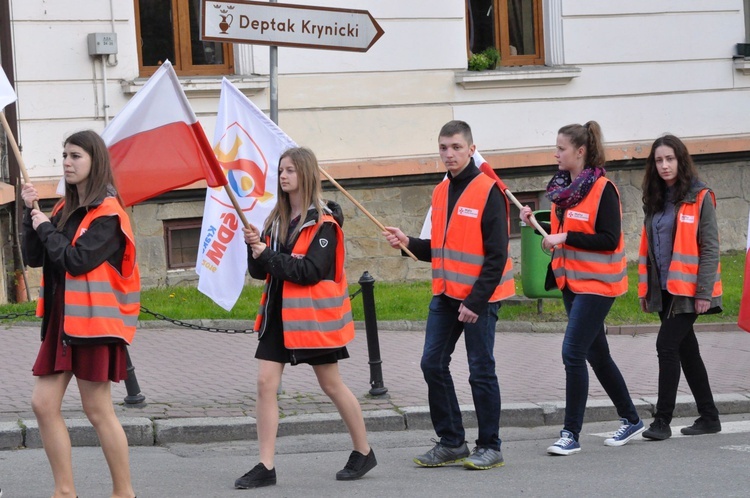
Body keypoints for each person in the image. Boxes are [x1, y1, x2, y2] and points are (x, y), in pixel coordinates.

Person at [235, 147, 376, 489]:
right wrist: (252, 244)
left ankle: (364, 451)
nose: (283, 176)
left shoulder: (325, 224)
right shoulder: (276, 219)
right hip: (278, 317)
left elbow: (310, 271)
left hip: (311, 320)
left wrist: (266, 253)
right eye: (281, 170)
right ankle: (265, 465)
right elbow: (261, 270)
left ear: (306, 175)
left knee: (331, 385)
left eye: (291, 171)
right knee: (265, 384)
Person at [383, 120, 514, 470]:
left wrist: (475, 302)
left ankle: (490, 446)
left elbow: (497, 255)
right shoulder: (441, 191)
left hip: (478, 299)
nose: (449, 154)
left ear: (471, 149)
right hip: (445, 294)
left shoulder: (489, 190)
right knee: (432, 363)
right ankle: (452, 441)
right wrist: (408, 242)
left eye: (456, 147)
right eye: (443, 147)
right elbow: (439, 248)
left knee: (480, 370)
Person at [21, 130, 139, 498]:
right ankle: (65, 491)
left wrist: (42, 225)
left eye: (76, 156)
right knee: (42, 404)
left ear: (95, 162)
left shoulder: (109, 214)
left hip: (93, 324)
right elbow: (35, 257)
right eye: (64, 156)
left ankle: (124, 493)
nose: (68, 163)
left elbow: (76, 260)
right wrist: (31, 214)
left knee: (98, 410)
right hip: (63, 322)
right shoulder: (62, 209)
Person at [520, 121, 645, 456]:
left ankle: (570, 433)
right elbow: (562, 233)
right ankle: (631, 419)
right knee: (597, 355)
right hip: (570, 283)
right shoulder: (564, 190)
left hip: (598, 285)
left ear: (580, 151)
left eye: (561, 149)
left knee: (572, 353)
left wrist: (564, 238)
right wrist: (538, 225)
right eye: (556, 147)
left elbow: (608, 238)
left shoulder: (603, 188)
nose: (555, 154)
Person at [638, 134, 723, 441]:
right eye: (659, 160)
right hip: (664, 289)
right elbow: (648, 249)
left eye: (670, 159)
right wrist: (646, 290)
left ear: (681, 160)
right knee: (688, 351)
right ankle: (710, 416)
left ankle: (662, 421)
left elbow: (710, 247)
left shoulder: (700, 196)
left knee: (666, 346)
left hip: (688, 291)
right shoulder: (656, 198)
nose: (664, 165)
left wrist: (704, 293)